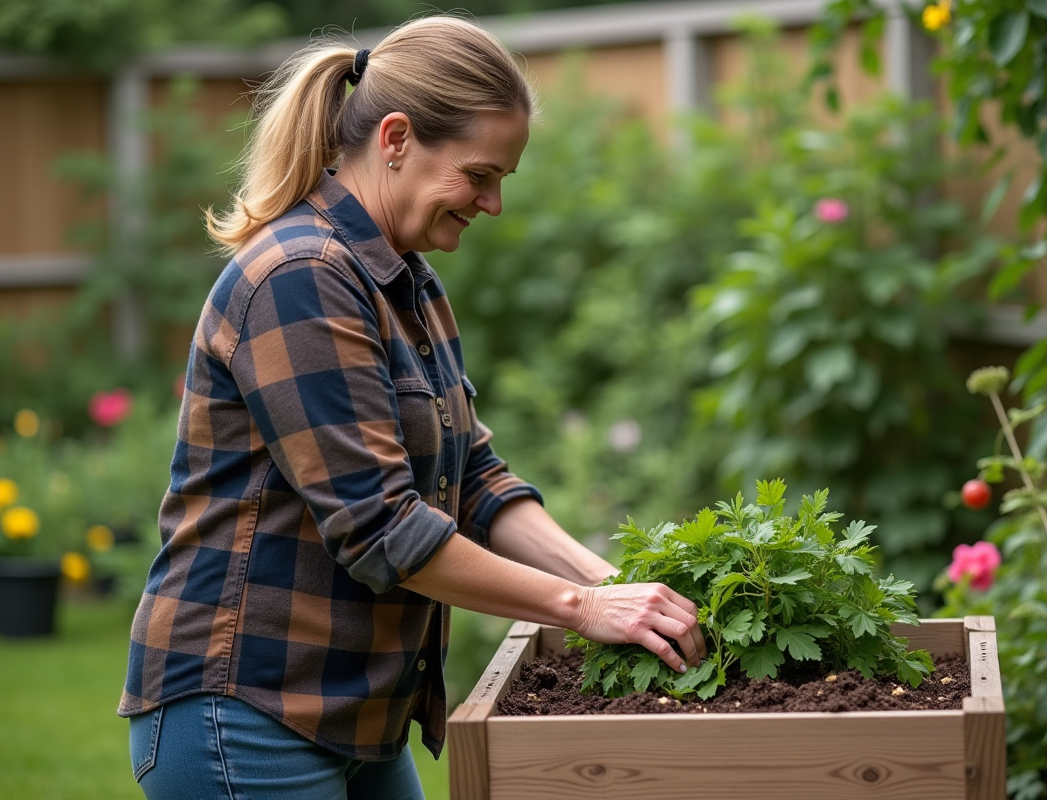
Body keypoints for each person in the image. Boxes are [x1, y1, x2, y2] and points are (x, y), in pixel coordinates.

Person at [119, 15, 706, 800]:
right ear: (395, 138)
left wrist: (620, 586)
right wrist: (583, 606)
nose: (492, 202)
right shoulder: (299, 276)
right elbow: (382, 529)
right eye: (479, 174)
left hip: (352, 713)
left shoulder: (407, 282)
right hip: (247, 711)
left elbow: (475, 481)